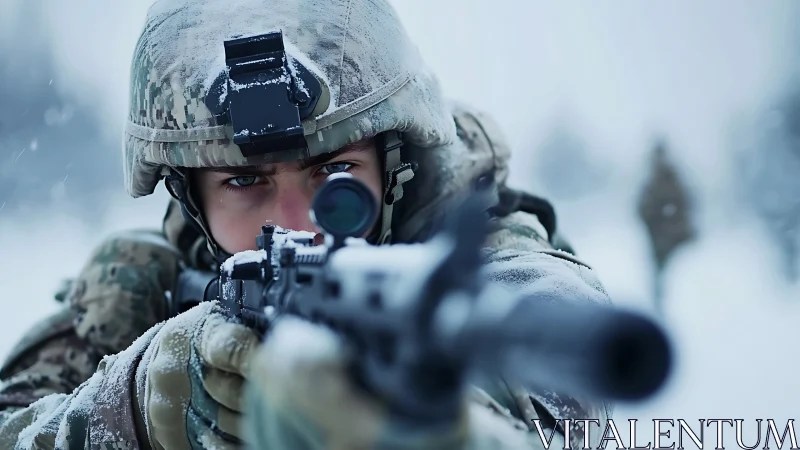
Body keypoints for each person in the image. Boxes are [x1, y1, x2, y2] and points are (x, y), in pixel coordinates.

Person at [0, 0, 612, 448]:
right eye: (246, 182)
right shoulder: (149, 286)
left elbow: (561, 388)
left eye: (334, 174)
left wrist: (426, 415)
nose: (297, 225)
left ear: (392, 168)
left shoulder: (476, 251)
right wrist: (139, 406)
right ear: (191, 199)